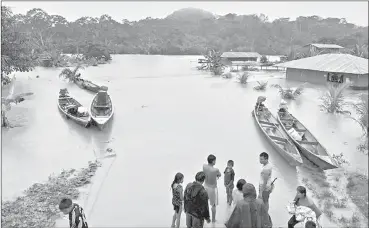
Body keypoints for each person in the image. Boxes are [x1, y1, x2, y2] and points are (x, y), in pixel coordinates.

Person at [203, 154, 221, 222]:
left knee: (205, 203)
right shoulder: (215, 170)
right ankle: (213, 219)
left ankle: (205, 217)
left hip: (205, 186)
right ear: (213, 161)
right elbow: (219, 174)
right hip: (212, 189)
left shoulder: (204, 166)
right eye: (215, 160)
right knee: (213, 205)